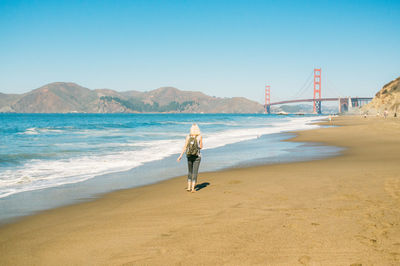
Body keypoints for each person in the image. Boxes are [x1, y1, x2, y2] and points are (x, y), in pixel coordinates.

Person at [177, 123, 203, 192]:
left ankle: (188, 187)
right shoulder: (199, 136)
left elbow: (185, 146)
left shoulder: (188, 136)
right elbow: (201, 147)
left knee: (190, 172)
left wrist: (180, 156)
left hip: (189, 156)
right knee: (195, 172)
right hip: (197, 156)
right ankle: (193, 188)